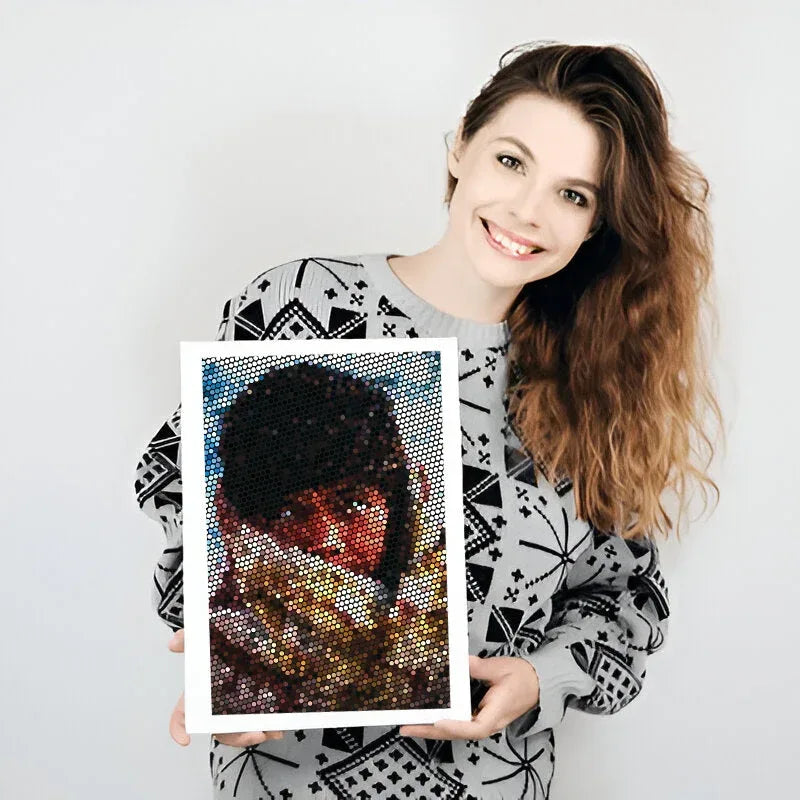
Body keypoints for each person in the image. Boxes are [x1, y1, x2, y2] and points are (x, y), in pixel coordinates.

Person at [134, 41, 722, 799]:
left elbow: (627, 603)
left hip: (488, 782)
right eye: (512, 161)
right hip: (284, 779)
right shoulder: (303, 306)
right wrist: (222, 654)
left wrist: (537, 678)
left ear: (595, 227)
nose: (526, 211)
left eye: (573, 196)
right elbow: (179, 488)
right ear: (459, 149)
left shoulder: (593, 386)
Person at [206, 361, 450, 715]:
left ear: (397, 507)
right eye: (293, 512)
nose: (326, 538)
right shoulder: (224, 655)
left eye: (351, 504)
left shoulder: (456, 605)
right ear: (249, 522)